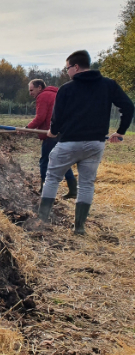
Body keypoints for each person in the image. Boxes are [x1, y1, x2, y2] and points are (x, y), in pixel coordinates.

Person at [38, 50, 134, 234]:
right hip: (95, 144)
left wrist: (53, 131)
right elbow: (128, 107)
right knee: (87, 184)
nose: (67, 72)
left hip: (69, 143)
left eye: (67, 68)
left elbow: (57, 118)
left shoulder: (67, 88)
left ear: (76, 67)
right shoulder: (108, 85)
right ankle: (79, 228)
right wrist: (120, 132)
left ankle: (41, 221)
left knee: (52, 178)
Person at [26, 79, 77, 198]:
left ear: (39, 87)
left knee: (45, 161)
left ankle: (44, 189)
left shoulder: (43, 96)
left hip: (51, 134)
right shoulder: (57, 93)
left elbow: (40, 117)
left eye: (31, 90)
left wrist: (27, 128)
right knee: (63, 161)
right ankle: (73, 189)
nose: (30, 93)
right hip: (63, 133)